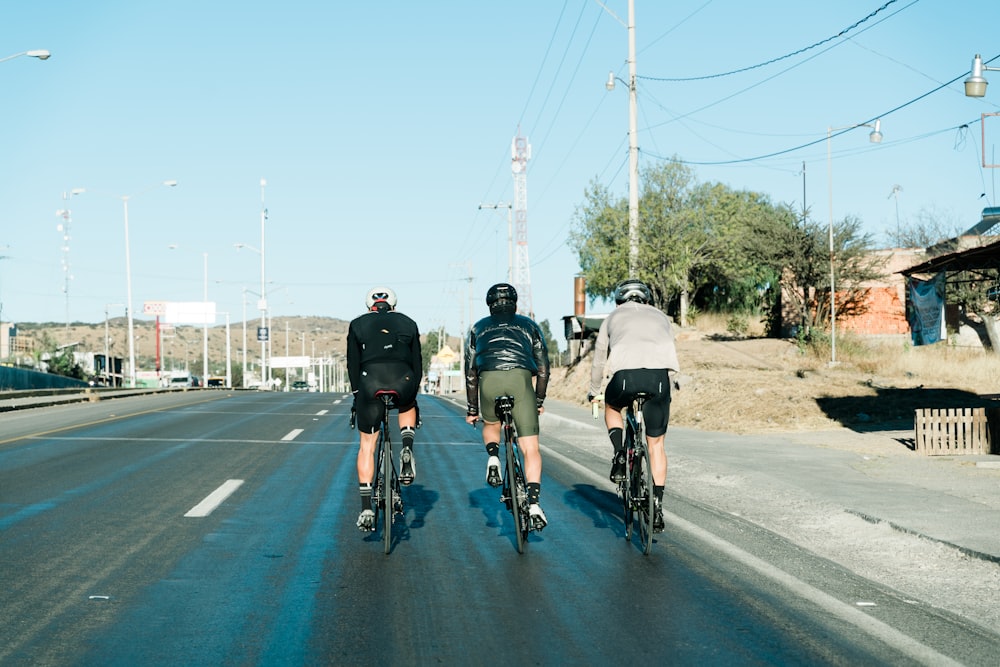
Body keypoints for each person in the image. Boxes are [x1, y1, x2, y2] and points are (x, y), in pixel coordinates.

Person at [588, 278, 680, 533]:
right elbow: (670, 348)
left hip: (625, 378)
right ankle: (657, 504)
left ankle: (619, 451)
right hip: (659, 380)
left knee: (612, 407)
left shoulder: (613, 317)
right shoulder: (661, 316)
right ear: (646, 299)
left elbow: (599, 360)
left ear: (619, 300)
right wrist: (669, 384)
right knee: (657, 445)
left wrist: (595, 391)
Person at [464, 283, 551, 530]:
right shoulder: (529, 324)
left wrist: (472, 410)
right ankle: (534, 505)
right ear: (514, 302)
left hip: (488, 381)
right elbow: (543, 368)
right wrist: (539, 401)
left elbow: (470, 372)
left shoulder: (478, 327)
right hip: (520, 381)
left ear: (489, 304)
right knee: (530, 448)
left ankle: (493, 459)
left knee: (491, 424)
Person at [347, 286, 423, 532]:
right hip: (404, 378)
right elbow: (417, 362)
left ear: (369, 306)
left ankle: (366, 506)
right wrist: (414, 389)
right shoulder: (408, 322)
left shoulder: (357, 324)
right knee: (408, 404)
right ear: (394, 306)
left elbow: (353, 363)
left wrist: (358, 393)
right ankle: (407, 447)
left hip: (370, 380)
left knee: (367, 446)